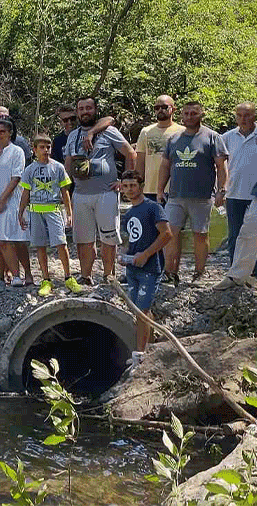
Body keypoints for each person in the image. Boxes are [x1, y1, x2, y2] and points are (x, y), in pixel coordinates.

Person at [64, 96, 136, 286]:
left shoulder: (109, 132)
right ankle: (86, 276)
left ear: (95, 109)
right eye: (81, 109)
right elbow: (68, 162)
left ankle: (108, 276)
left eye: (89, 108)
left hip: (106, 193)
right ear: (77, 112)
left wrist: (124, 180)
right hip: (80, 194)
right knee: (84, 240)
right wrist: (66, 186)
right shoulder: (72, 135)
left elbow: (130, 153)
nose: (85, 112)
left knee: (108, 238)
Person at [157, 101, 228, 286]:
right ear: (181, 115)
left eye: (194, 113)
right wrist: (159, 190)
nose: (189, 117)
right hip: (175, 196)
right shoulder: (173, 139)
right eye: (186, 113)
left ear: (201, 114)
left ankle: (199, 272)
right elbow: (165, 166)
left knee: (200, 234)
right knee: (170, 234)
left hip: (202, 197)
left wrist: (222, 190)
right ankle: (171, 273)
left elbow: (221, 167)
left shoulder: (212, 137)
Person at [18, 134, 83, 297]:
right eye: (41, 147)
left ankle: (68, 277)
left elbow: (64, 191)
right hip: (35, 211)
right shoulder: (30, 169)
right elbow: (25, 192)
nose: (45, 150)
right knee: (40, 246)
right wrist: (20, 212)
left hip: (54, 210)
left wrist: (69, 213)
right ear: (34, 149)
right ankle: (46, 279)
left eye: (48, 147)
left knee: (61, 243)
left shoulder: (58, 167)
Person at [119, 170, 172, 363]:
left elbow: (166, 234)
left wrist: (146, 255)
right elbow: (131, 240)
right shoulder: (129, 212)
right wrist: (124, 255)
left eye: (133, 185)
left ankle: (139, 354)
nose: (129, 190)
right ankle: (149, 349)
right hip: (132, 269)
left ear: (141, 186)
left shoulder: (153, 208)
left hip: (150, 268)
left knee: (142, 312)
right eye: (125, 186)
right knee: (140, 311)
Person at [0, 107, 33, 284]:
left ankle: (18, 275)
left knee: (10, 240)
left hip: (10, 202)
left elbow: (16, 177)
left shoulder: (16, 151)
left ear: (10, 133)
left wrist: (3, 199)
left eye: (2, 132)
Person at [222, 102, 257, 279]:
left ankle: (254, 273)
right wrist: (220, 189)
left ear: (255, 115)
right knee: (235, 235)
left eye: (248, 115)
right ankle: (234, 272)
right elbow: (220, 166)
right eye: (240, 115)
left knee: (255, 235)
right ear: (235, 117)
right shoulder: (227, 137)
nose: (244, 119)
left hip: (255, 195)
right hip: (234, 193)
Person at [136, 95, 184, 202]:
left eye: (164, 107)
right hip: (149, 189)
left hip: (175, 190)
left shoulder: (182, 132)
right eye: (157, 108)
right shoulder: (146, 132)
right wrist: (137, 185)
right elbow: (140, 162)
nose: (160, 110)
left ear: (173, 109)